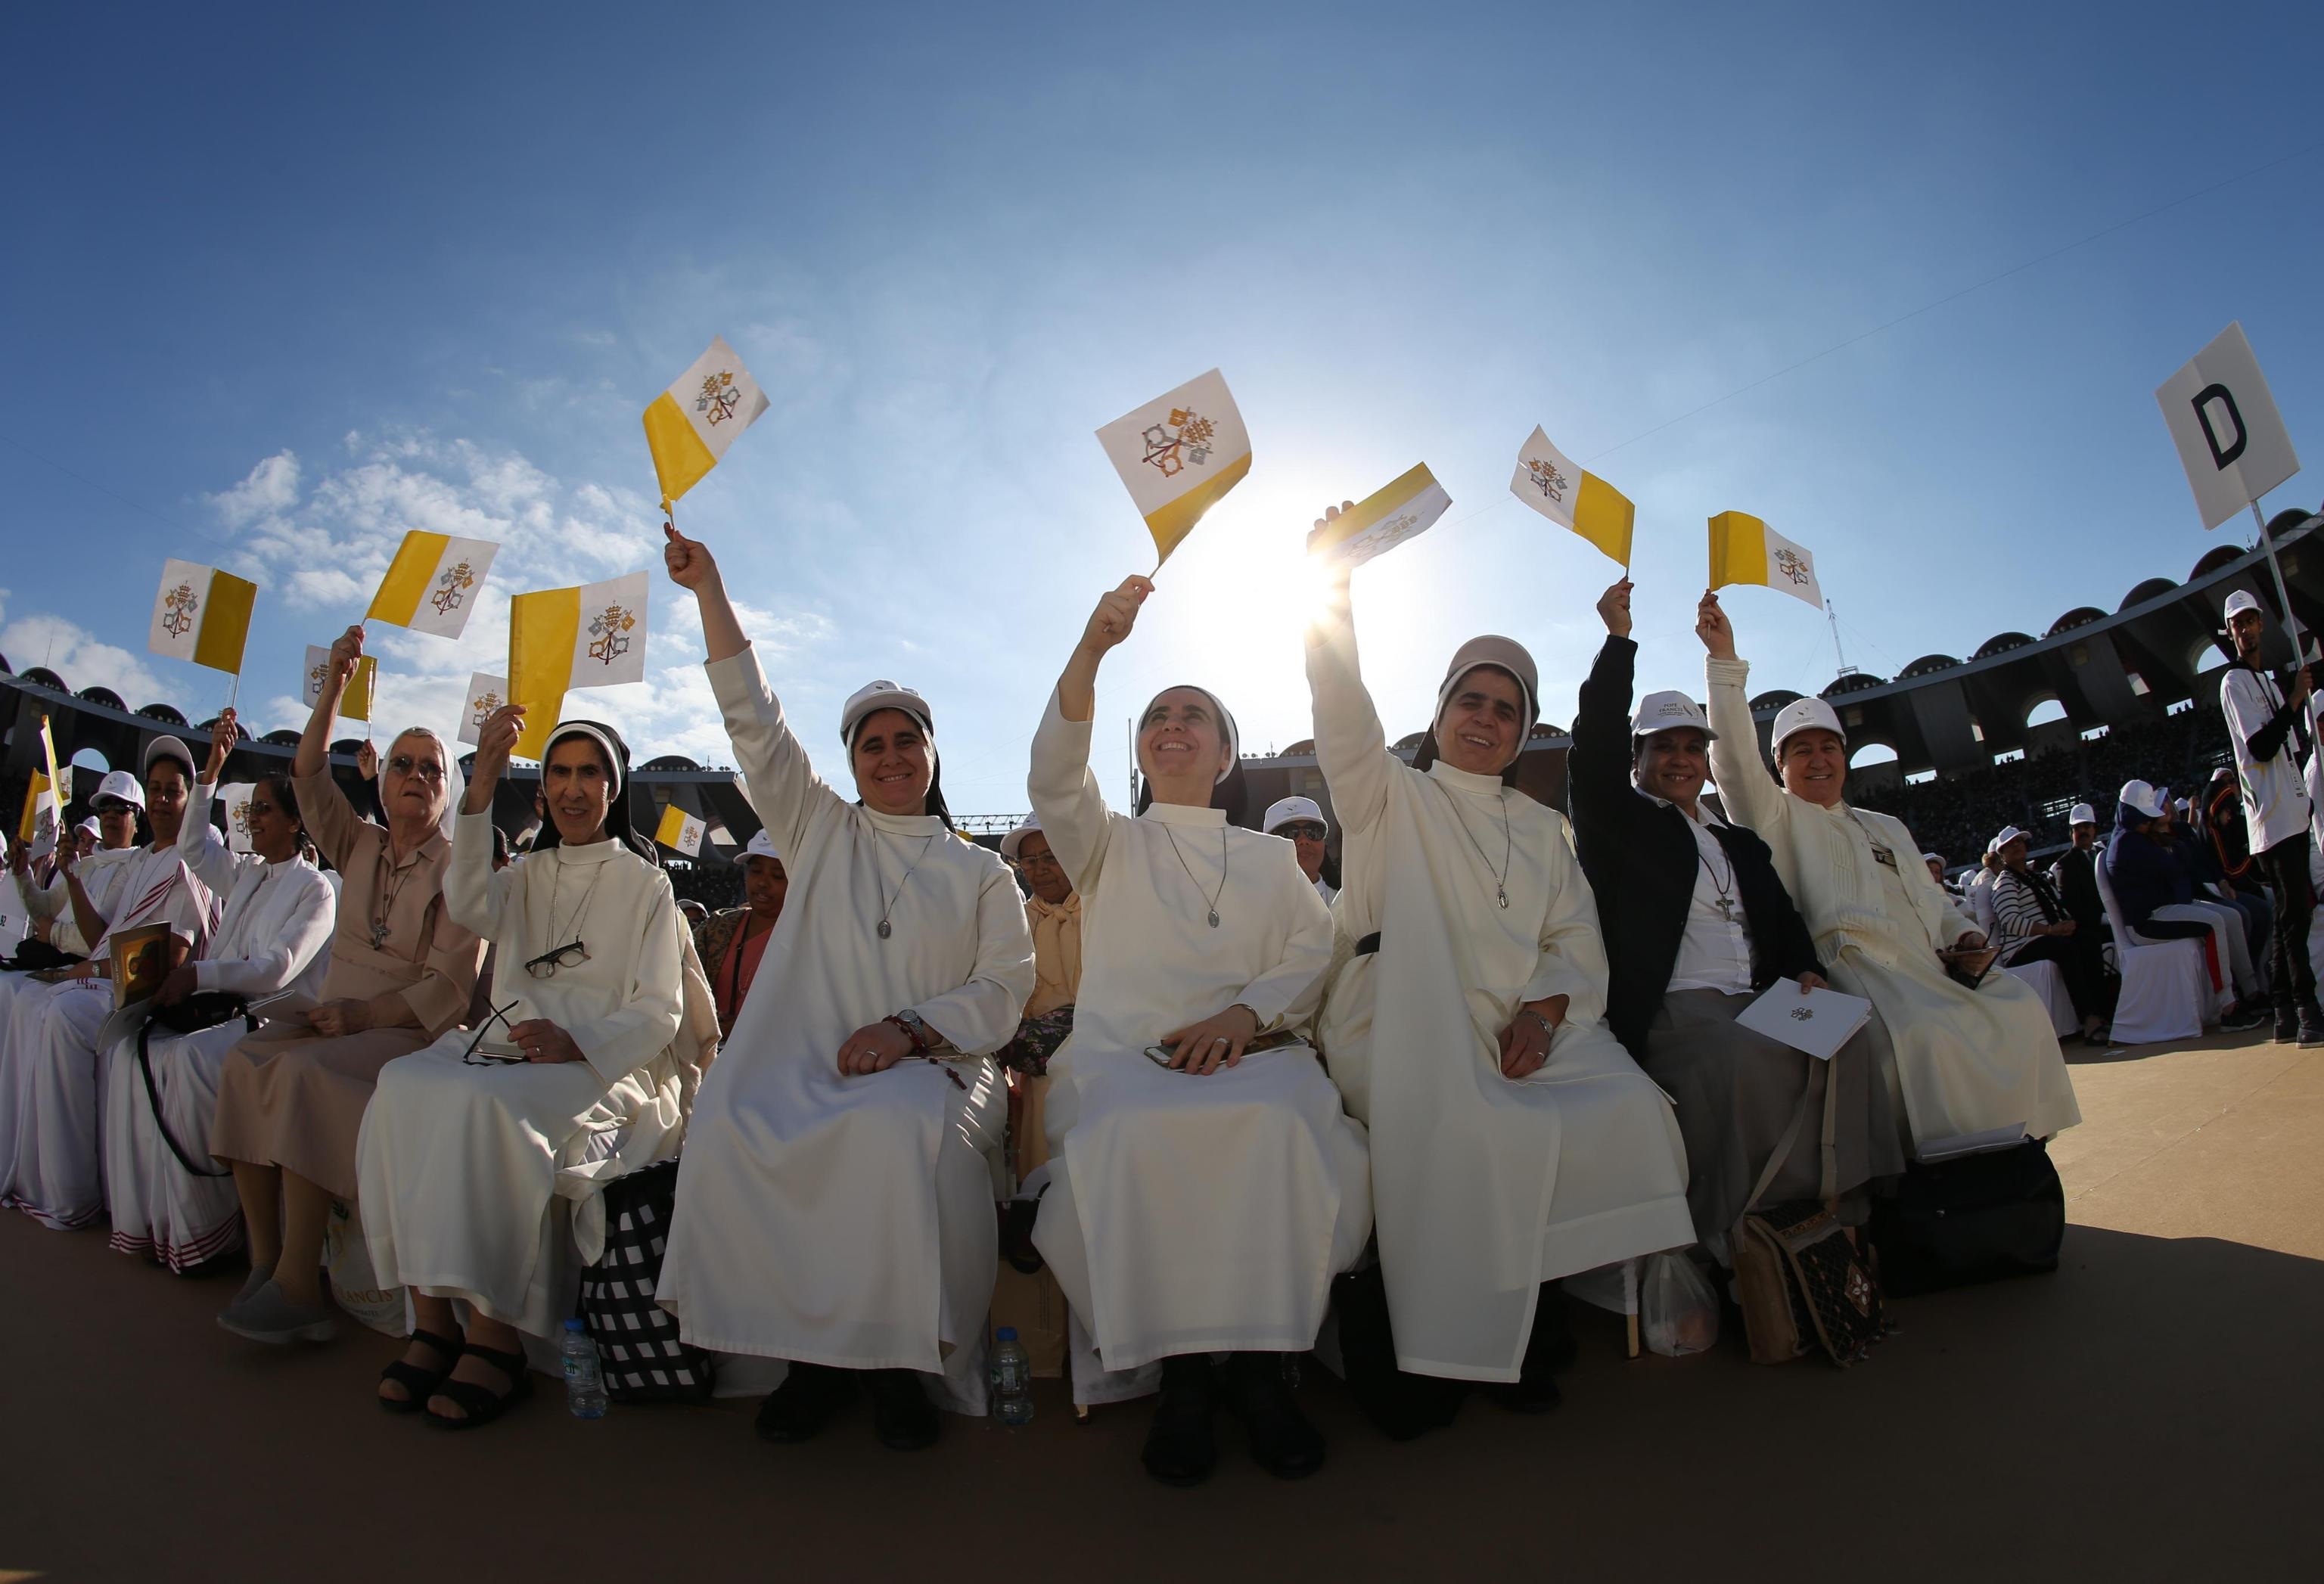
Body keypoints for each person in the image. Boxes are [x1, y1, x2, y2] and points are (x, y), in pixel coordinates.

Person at [653, 525, 1033, 1451]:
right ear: (852, 761)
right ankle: (811, 1360)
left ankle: (900, 1363)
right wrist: (711, 591)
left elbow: (1004, 989)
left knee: (891, 1128)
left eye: (908, 741)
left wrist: (908, 1030)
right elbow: (757, 726)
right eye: (872, 745)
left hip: (943, 1069)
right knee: (734, 1118)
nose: (891, 756)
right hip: (809, 1057)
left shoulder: (982, 872)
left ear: (934, 756)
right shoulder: (820, 831)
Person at [1305, 528, 1691, 1440]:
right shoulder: (1390, 793)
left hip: (1526, 1025)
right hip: (1405, 1020)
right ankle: (1471, 1336)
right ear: (1439, 713)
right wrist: (1334, 588)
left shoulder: (1541, 825)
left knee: (1631, 1109)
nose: (1485, 719)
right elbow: (1341, 713)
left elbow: (1571, 933)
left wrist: (1549, 1011)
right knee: (1475, 1126)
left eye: (1506, 710)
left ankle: (1532, 1296)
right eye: (1469, 701)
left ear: (1524, 731)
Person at [1028, 576, 1368, 1486]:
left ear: (1225, 753)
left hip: (1256, 1053)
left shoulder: (1267, 857)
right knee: (1134, 1133)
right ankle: (1183, 1381)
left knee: (1288, 1124)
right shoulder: (1107, 843)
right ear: (1141, 750)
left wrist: (1242, 1014)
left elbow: (1314, 946)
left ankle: (1261, 1378)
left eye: (1194, 715)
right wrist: (1094, 649)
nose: (1172, 724)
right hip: (1130, 1060)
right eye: (1156, 717)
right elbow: (1054, 776)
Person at [357, 711, 712, 1427]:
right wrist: (481, 783)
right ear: (542, 791)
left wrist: (577, 1040)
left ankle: (497, 1339)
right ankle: (432, 1319)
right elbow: (465, 901)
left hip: (601, 1063)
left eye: (590, 774)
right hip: (505, 1046)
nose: (573, 789)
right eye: (559, 773)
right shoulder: (521, 875)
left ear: (613, 789)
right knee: (403, 1085)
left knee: (487, 1110)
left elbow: (659, 1014)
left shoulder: (647, 885)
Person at [1569, 576, 1899, 1259]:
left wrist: (1805, 970)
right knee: (1745, 1060)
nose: (1682, 760)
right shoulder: (1619, 826)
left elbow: (1780, 919)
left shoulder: (1736, 841)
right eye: (1664, 747)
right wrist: (1618, 643)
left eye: (1693, 747)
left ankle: (1846, 1204)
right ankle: (1745, 1231)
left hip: (1758, 998)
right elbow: (1592, 750)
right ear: (1639, 761)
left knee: (1851, 1035)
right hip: (1681, 1007)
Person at [1698, 591, 2080, 1160]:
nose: (1819, 760)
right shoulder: (1775, 816)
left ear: (1846, 757)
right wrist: (1724, 661)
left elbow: (1936, 902)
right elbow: (1730, 763)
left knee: (2019, 1006)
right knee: (1919, 1036)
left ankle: (2018, 1146)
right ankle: (1938, 1172)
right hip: (1853, 967)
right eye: (1801, 751)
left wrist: (1963, 937)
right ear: (1779, 767)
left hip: (1929, 962)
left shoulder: (1886, 825)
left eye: (1829, 747)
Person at [210, 627, 484, 1346]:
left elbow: (451, 988)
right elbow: (307, 773)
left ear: (444, 788)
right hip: (333, 1015)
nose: (416, 776)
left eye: (431, 768)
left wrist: (365, 1013)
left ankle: (303, 1286)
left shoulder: (461, 870)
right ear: (384, 778)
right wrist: (335, 682)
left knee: (310, 1076)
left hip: (401, 1029)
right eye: (403, 764)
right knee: (242, 1062)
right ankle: (266, 1261)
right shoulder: (358, 842)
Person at [106, 711, 336, 1272]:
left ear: (294, 822)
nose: (252, 819)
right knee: (135, 1055)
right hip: (217, 1013)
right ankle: (160, 1225)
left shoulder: (317, 891)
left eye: (263, 810)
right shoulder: (250, 873)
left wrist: (198, 976)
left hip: (272, 1025)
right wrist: (209, 771)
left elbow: (276, 970)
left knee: (182, 1059)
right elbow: (193, 850)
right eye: (251, 808)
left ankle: (211, 1233)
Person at [1, 735, 213, 1228]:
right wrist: (74, 884)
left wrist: (81, 972)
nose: (161, 800)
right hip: (105, 978)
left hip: (141, 994)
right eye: (155, 789)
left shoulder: (191, 864)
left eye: (171, 792)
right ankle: (24, 1165)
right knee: (18, 996)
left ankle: (68, 1194)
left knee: (60, 1012)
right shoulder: (138, 862)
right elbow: (103, 938)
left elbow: (168, 959)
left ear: (189, 799)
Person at [2220, 588, 2322, 1045]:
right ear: (2230, 633)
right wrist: (2296, 700)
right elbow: (2260, 747)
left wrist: (2307, 800)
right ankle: (2306, 1007)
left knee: (2290, 914)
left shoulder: (2271, 681)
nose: (2244, 629)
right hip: (2269, 817)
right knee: (2295, 914)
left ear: (2261, 625)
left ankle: (2285, 1011)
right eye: (2236, 624)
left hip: (2293, 810)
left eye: (2250, 621)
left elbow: (2289, 751)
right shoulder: (2234, 683)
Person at [996, 814, 1078, 1182]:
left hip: (1105, 1066)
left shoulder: (1113, 907)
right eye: (1030, 861)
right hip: (1038, 1076)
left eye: (1051, 857)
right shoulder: (1010, 920)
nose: (1040, 870)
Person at [1987, 826, 2109, 1042]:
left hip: (2046, 938)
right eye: (2010, 845)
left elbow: (2057, 905)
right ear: (2002, 855)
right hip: (2022, 947)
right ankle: (2088, 1019)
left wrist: (2067, 923)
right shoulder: (2005, 882)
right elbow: (2011, 921)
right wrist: (2051, 930)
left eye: (2019, 842)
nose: (2016, 846)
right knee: (2066, 948)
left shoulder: (2036, 878)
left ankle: (2102, 1011)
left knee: (2089, 939)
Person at [7, 772, 144, 963]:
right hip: (56, 965)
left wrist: (53, 933)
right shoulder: (87, 864)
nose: (111, 814)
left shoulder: (138, 868)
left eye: (122, 807)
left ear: (137, 820)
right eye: (104, 807)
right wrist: (22, 874)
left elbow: (104, 940)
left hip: (91, 979)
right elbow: (46, 910)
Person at [694, 829, 788, 1042]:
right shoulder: (717, 926)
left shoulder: (808, 937)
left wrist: (747, 1029)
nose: (763, 883)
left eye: (777, 876)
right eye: (756, 871)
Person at [1263, 796, 1336, 902]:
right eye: (1289, 834)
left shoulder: (1345, 905)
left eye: (1313, 832)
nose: (1303, 841)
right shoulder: (1253, 904)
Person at [2049, 803, 2105, 938]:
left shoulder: (2105, 854)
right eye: (2077, 828)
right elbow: (2073, 907)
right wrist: (2104, 918)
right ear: (2071, 833)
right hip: (2094, 931)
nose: (2082, 832)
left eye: (2086, 826)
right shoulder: (2064, 864)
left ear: (2094, 829)